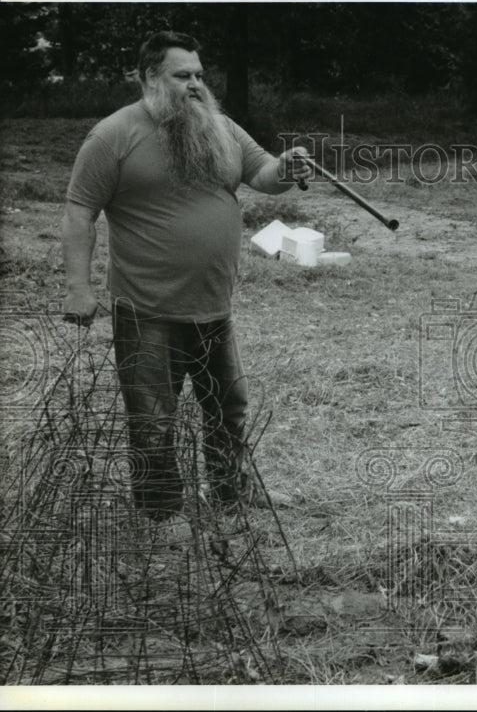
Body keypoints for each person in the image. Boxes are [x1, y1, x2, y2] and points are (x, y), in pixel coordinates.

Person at [61, 31, 310, 521]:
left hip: (213, 305)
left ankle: (230, 494)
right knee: (153, 420)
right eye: (182, 76)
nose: (195, 84)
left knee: (228, 408)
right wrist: (78, 287)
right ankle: (160, 515)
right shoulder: (113, 135)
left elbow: (264, 176)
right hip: (146, 308)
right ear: (149, 77)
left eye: (199, 75)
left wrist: (288, 166)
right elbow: (78, 212)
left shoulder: (220, 128)